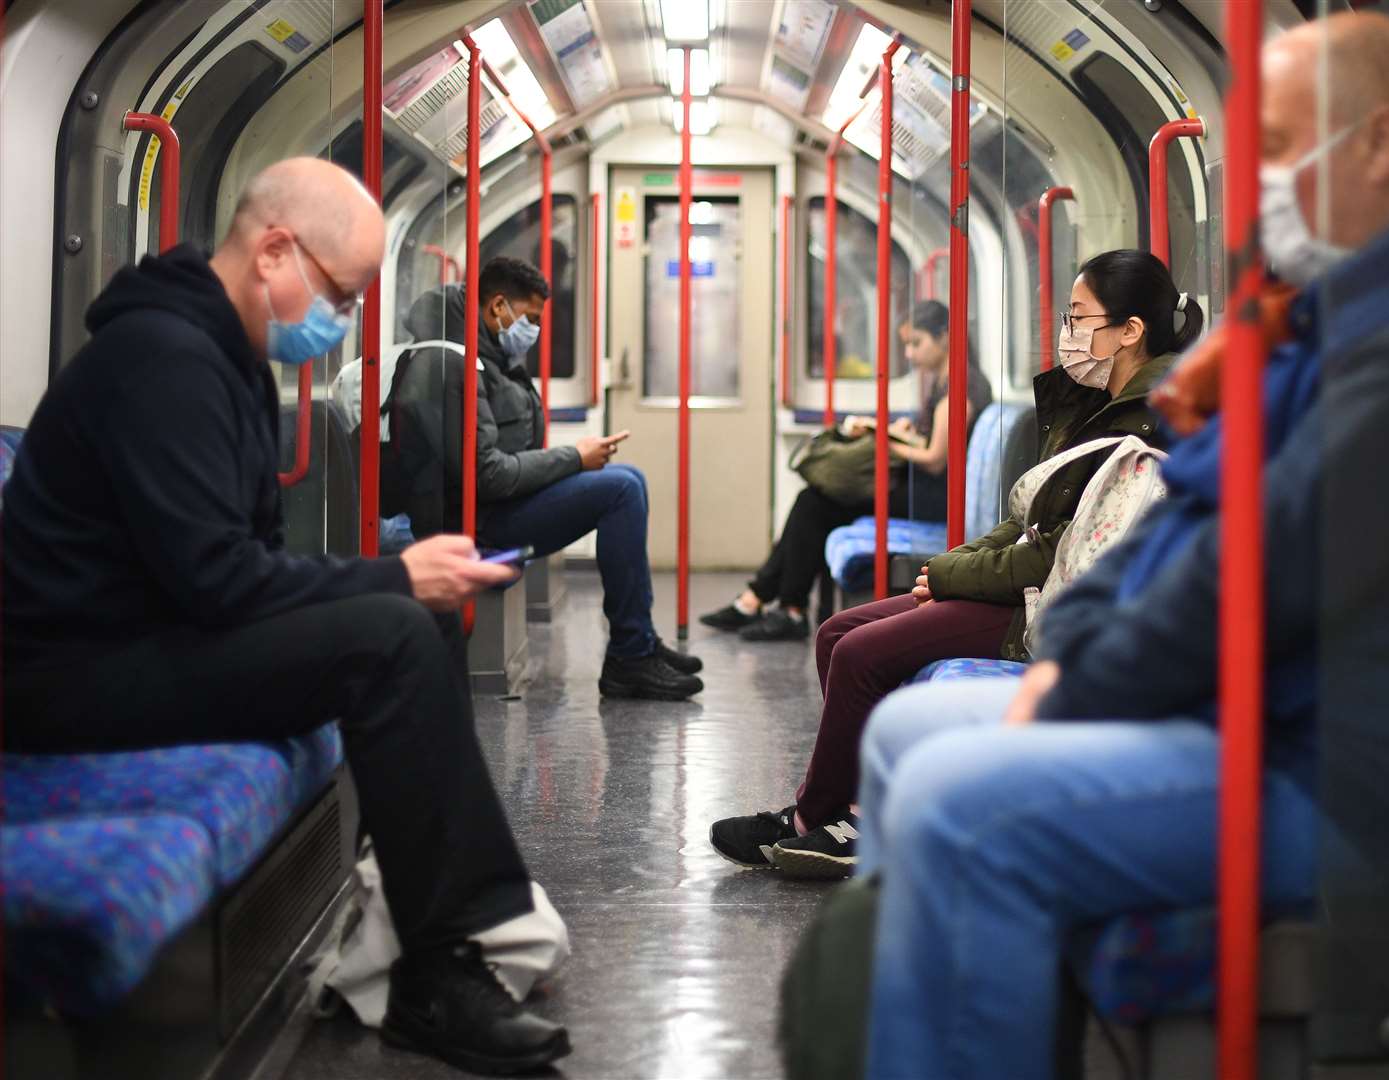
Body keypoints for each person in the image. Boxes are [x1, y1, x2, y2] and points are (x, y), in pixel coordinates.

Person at [846, 14, 1389, 1080]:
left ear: (1379, 144)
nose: (1255, 196)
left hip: (1361, 780)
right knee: (906, 731)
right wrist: (1072, 650)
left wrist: (1072, 685)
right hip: (1273, 709)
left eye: (1282, 151)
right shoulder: (1341, 311)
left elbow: (1264, 564)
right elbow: (1197, 507)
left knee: (953, 810)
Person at [0, 159, 572, 1073]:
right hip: (73, 676)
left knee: (413, 625)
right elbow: (219, 582)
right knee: (392, 629)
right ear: (274, 251)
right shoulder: (161, 364)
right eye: (340, 296)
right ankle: (444, 960)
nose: (339, 321)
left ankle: (446, 927)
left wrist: (392, 582)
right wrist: (390, 580)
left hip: (150, 638)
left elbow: (239, 566)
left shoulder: (222, 363)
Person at [708, 251, 1203, 878]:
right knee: (837, 633)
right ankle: (845, 811)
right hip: (1027, 580)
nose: (1068, 334)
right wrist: (959, 559)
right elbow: (1034, 513)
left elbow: (1065, 552)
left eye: (1079, 318)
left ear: (1130, 330)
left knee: (861, 655)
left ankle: (819, 821)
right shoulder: (1093, 401)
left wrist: (950, 576)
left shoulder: (1151, 418)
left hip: (1053, 604)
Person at [388, 257, 703, 701]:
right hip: (473, 523)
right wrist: (574, 457)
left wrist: (570, 460)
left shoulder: (486, 353)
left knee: (628, 477)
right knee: (621, 490)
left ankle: (639, 641)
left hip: (491, 507)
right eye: (530, 318)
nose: (533, 330)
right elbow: (486, 475)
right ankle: (630, 657)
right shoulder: (452, 363)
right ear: (498, 306)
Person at [700, 300, 992, 641]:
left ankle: (776, 605)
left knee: (814, 503)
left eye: (916, 343)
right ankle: (768, 602)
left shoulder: (961, 386)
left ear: (944, 337)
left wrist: (880, 440)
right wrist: (885, 429)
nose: (909, 355)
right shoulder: (949, 380)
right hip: (922, 487)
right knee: (813, 501)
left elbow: (934, 457)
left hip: (934, 497)